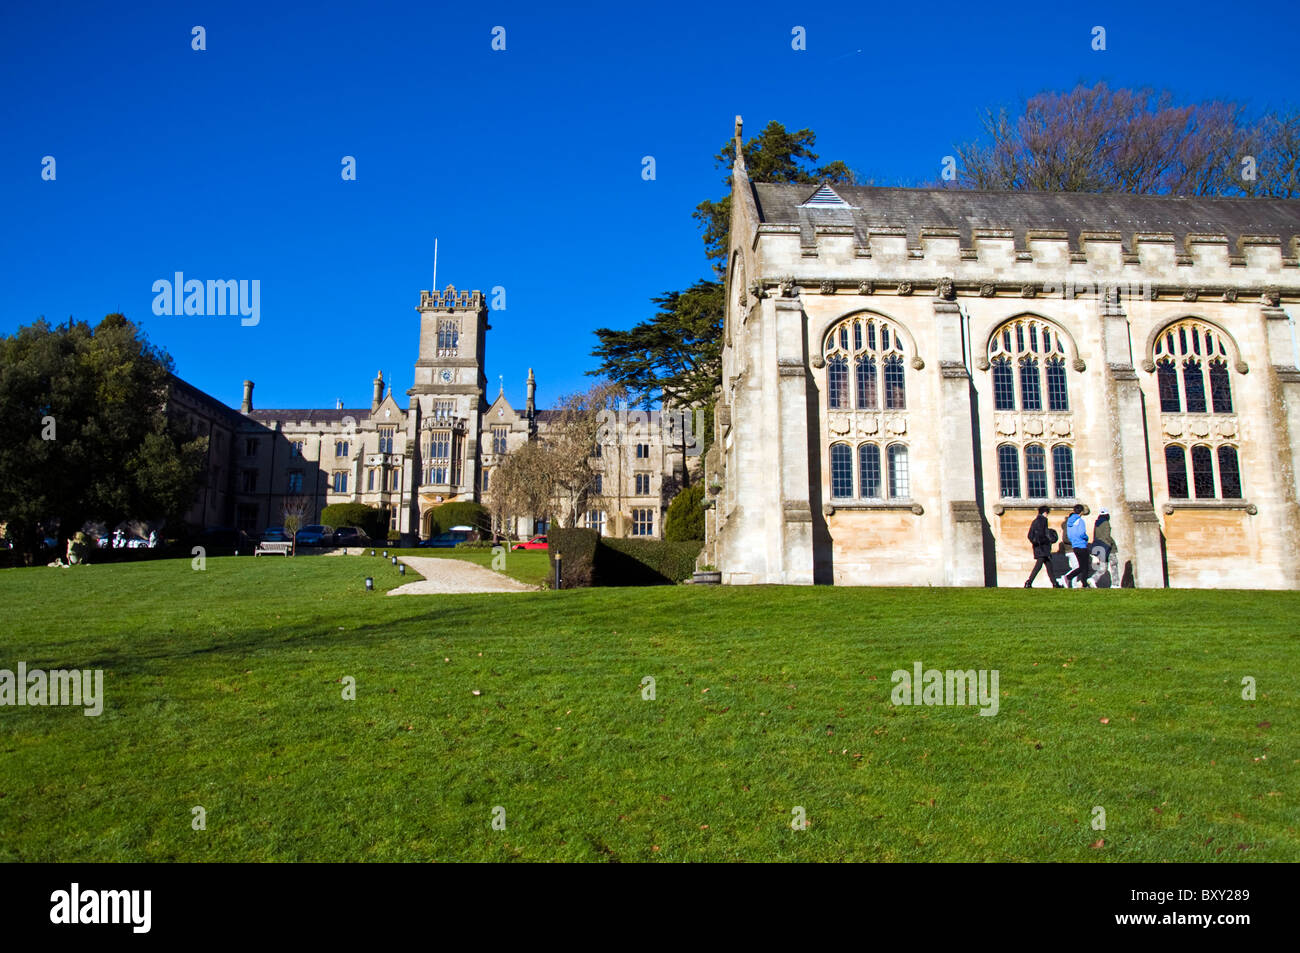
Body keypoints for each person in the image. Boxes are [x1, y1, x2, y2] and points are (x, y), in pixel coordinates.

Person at [1024, 505, 1061, 588]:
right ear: (1045, 513)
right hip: (1042, 548)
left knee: (1049, 565)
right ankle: (1029, 582)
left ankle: (1055, 583)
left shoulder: (1035, 521)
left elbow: (1030, 535)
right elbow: (1042, 534)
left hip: (1038, 547)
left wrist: (1035, 542)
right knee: (1038, 566)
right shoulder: (1043, 520)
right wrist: (1046, 541)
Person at [1089, 509, 1120, 588]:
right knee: (1114, 565)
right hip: (1108, 548)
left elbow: (1096, 536)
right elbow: (1107, 536)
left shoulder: (1097, 523)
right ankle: (1115, 584)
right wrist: (1111, 544)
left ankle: (1093, 579)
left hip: (1100, 546)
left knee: (1103, 567)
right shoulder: (1106, 523)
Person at [1063, 504, 1092, 588]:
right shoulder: (1080, 521)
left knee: (1081, 566)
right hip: (1082, 545)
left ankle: (1070, 578)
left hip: (1075, 546)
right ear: (1081, 512)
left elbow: (1069, 534)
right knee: (1085, 567)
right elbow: (1082, 533)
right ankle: (1082, 583)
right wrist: (1086, 538)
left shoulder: (1069, 522)